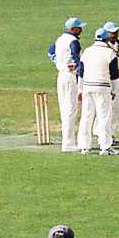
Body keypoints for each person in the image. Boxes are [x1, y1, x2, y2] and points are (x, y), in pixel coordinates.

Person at [76, 27, 119, 155]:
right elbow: (114, 75)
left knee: (86, 116)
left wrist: (79, 90)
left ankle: (84, 146)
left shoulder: (87, 51)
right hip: (103, 87)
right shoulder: (110, 53)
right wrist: (114, 90)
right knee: (104, 117)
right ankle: (105, 147)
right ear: (107, 38)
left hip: (87, 87)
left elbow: (80, 73)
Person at [48, 17, 85, 152]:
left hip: (61, 75)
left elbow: (50, 52)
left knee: (65, 108)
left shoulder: (60, 39)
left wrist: (60, 63)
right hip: (71, 76)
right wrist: (74, 66)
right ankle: (68, 143)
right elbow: (77, 57)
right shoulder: (73, 41)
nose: (81, 29)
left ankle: (68, 142)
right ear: (72, 28)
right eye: (79, 27)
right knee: (71, 109)